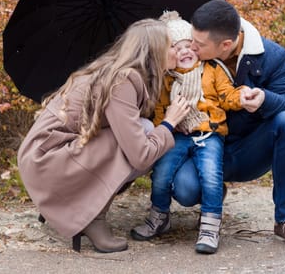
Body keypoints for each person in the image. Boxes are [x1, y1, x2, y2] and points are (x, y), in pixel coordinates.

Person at [17, 19, 191, 253]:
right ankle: (92, 218)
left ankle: (77, 205)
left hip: (47, 155)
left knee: (144, 129)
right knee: (143, 136)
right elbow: (140, 155)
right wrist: (169, 123)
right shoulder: (124, 80)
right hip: (45, 162)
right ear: (154, 51)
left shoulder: (121, 73)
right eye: (171, 45)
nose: (177, 51)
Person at [168, 0, 285, 252]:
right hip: (205, 148)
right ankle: (212, 192)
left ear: (225, 44)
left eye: (199, 44)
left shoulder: (271, 56)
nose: (191, 46)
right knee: (184, 190)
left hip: (249, 150)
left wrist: (265, 99)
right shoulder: (189, 59)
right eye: (192, 39)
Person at [130, 11, 249, 254]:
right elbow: (161, 109)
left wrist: (242, 97)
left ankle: (210, 225)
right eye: (177, 47)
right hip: (178, 135)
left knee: (211, 176)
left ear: (197, 48)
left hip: (209, 134)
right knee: (162, 174)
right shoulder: (168, 78)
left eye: (189, 46)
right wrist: (164, 129)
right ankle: (159, 216)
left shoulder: (212, 69)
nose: (184, 51)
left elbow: (227, 95)